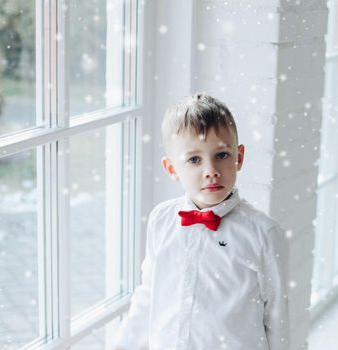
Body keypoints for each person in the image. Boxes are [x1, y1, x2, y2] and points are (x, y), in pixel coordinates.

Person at [113, 93, 290, 350]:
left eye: (222, 155)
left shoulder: (263, 234)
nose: (211, 170)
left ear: (239, 157)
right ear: (172, 168)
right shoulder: (161, 220)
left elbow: (277, 318)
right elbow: (149, 294)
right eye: (194, 159)